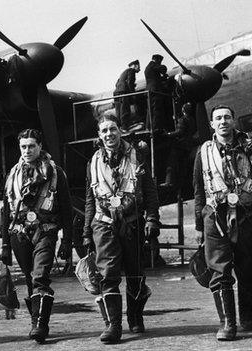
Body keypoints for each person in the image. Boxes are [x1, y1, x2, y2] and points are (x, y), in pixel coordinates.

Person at [82, 115, 160, 344]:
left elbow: (149, 190)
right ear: (99, 135)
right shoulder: (93, 162)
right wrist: (87, 231)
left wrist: (152, 219)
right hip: (103, 222)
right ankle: (114, 325)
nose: (109, 134)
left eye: (113, 129)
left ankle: (135, 316)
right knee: (108, 274)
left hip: (132, 221)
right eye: (104, 131)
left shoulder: (138, 156)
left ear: (120, 131)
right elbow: (89, 200)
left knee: (135, 273)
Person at [193, 105, 252, 341]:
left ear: (233, 121)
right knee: (219, 270)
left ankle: (246, 315)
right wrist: (200, 225)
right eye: (218, 118)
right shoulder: (203, 152)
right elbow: (198, 191)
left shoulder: (250, 148)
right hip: (215, 215)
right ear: (212, 124)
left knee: (247, 269)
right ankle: (227, 324)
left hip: (245, 215)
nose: (223, 121)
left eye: (227, 117)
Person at [0, 129, 73, 343]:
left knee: (40, 276)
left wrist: (67, 241)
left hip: (46, 230)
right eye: (23, 146)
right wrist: (5, 244)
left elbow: (67, 210)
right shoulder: (13, 174)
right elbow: (6, 210)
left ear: (40, 146)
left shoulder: (55, 172)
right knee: (30, 278)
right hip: (19, 233)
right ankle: (35, 322)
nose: (27, 150)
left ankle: (41, 326)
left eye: (32, 146)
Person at [160, 102, 198, 189]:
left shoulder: (182, 120)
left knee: (171, 163)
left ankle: (168, 181)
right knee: (183, 165)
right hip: (188, 146)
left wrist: (168, 134)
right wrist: (177, 120)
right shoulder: (191, 119)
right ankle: (182, 183)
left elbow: (179, 132)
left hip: (180, 145)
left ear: (183, 110)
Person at [113, 60, 142, 131]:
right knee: (125, 110)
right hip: (123, 92)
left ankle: (120, 127)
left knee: (119, 111)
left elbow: (117, 84)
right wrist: (133, 95)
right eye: (139, 67)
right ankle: (125, 127)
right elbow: (130, 83)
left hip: (117, 92)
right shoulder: (131, 71)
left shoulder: (124, 72)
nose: (139, 69)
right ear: (136, 66)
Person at [144, 54, 169, 129]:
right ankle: (155, 129)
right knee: (156, 110)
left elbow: (154, 78)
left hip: (151, 90)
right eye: (160, 62)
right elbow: (163, 69)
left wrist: (163, 77)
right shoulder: (152, 65)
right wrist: (164, 72)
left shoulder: (149, 67)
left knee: (151, 110)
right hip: (154, 91)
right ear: (157, 60)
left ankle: (149, 128)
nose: (160, 63)